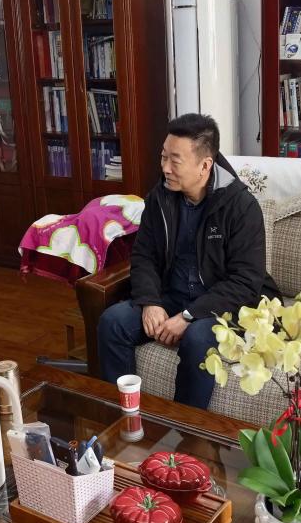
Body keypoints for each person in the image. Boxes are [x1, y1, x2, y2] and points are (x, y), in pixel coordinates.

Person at [97, 114, 278, 409]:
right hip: (173, 295)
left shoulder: (241, 207)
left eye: (175, 160)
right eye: (163, 157)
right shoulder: (160, 198)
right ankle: (123, 417)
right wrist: (149, 301)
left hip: (223, 308)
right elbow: (144, 255)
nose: (165, 168)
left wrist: (188, 316)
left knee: (197, 338)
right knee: (113, 322)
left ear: (204, 165)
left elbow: (245, 282)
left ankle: (181, 429)